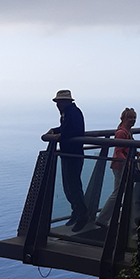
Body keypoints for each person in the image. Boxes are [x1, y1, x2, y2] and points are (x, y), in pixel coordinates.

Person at [48, 90, 89, 232]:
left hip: (74, 155)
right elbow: (68, 129)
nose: (57, 105)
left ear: (65, 102)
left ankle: (82, 214)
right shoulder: (66, 114)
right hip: (68, 154)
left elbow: (78, 131)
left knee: (73, 186)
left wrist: (61, 135)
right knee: (68, 186)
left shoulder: (74, 112)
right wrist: (55, 130)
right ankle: (76, 212)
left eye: (59, 102)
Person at [96, 108, 137, 228]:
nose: (132, 120)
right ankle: (103, 218)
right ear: (123, 118)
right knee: (118, 192)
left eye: (134, 118)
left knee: (119, 192)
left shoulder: (128, 132)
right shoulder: (121, 133)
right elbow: (119, 151)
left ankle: (106, 218)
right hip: (120, 166)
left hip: (123, 164)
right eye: (130, 118)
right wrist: (128, 164)